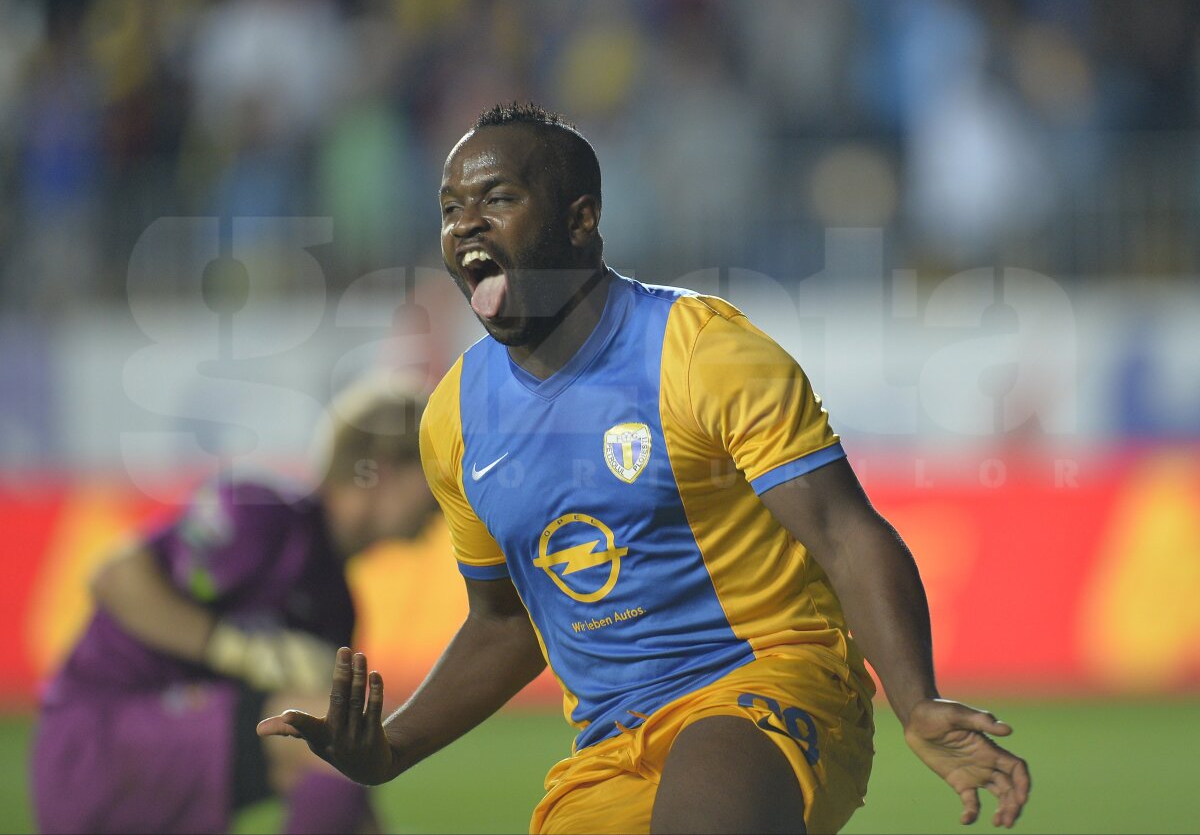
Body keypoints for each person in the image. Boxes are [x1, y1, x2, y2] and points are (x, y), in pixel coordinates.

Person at [259, 103, 1032, 834]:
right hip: (613, 739)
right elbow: (505, 621)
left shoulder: (703, 353)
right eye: (450, 207)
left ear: (581, 220)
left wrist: (917, 700)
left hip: (770, 682)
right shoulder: (452, 419)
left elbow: (843, 531)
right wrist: (390, 748)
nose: (466, 223)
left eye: (497, 198)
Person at [30, 373, 439, 834]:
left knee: (344, 742)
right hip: (94, 744)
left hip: (159, 770)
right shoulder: (262, 517)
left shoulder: (336, 605)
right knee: (334, 735)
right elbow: (116, 576)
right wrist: (232, 647)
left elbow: (342, 785)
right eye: (435, 471)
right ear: (383, 468)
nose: (446, 496)